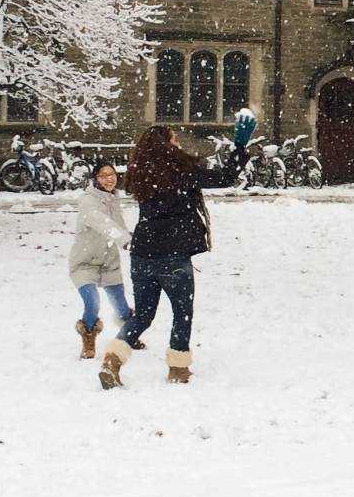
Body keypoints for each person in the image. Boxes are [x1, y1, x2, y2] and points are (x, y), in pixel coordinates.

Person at [98, 110, 253, 389]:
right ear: (166, 145)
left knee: (143, 315)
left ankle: (113, 358)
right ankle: (179, 368)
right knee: (182, 311)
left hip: (142, 253)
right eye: (174, 140)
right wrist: (239, 146)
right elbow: (226, 177)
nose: (178, 144)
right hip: (173, 254)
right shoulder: (183, 171)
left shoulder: (139, 173)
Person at [70, 159, 131, 359]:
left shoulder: (113, 199)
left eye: (111, 174)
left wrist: (134, 238)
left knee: (121, 306)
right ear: (95, 179)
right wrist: (124, 240)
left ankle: (130, 334)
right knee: (92, 302)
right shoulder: (88, 201)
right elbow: (102, 223)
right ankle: (88, 338)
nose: (109, 179)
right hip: (85, 262)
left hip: (109, 262)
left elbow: (120, 226)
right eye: (103, 175)